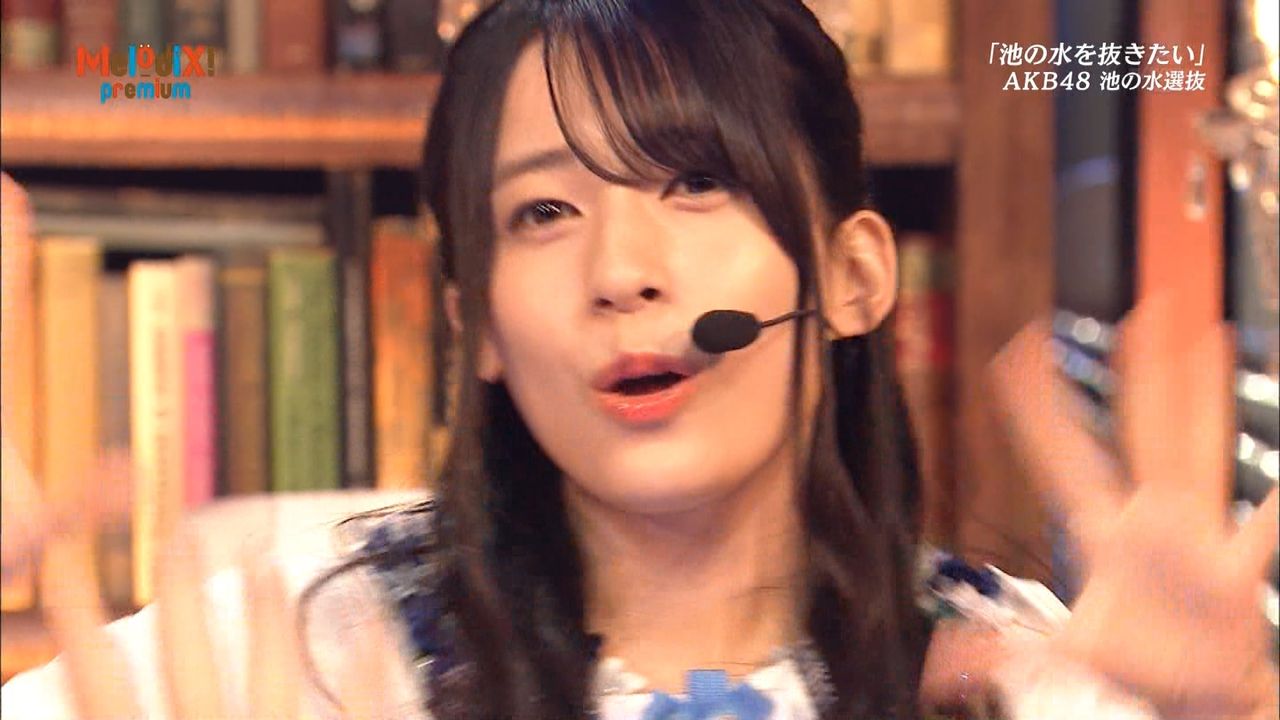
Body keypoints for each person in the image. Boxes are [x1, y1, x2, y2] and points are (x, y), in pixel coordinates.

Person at [2, 1, 1277, 718]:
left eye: (695, 182)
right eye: (542, 211)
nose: (620, 270)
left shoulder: (1041, 677)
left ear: (851, 276)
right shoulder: (287, 658)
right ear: (475, 323)